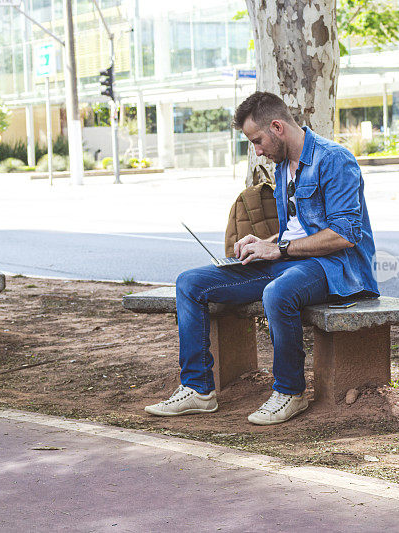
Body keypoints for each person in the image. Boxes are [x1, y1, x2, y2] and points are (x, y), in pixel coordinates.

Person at [145, 92, 379, 425]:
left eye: (257, 140)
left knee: (278, 293)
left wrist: (279, 250)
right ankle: (198, 390)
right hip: (292, 262)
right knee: (191, 283)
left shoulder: (334, 160)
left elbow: (344, 235)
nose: (257, 150)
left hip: (337, 268)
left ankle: (290, 392)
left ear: (277, 127)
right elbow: (296, 230)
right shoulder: (284, 165)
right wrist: (264, 242)